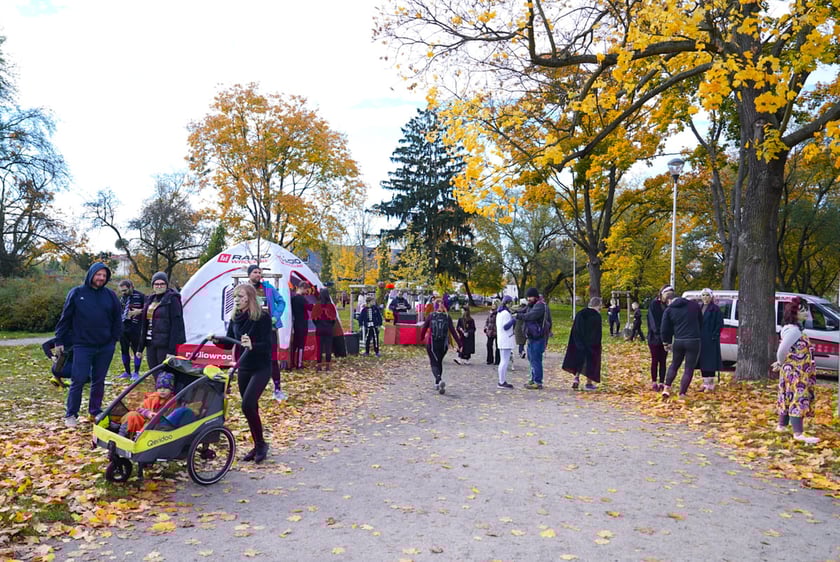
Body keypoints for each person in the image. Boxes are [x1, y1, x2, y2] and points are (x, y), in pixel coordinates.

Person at [54, 262, 122, 428]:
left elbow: (117, 319)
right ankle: (71, 414)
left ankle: (95, 411)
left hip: (105, 346)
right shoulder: (77, 293)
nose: (101, 278)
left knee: (98, 380)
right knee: (78, 379)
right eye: (98, 274)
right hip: (83, 345)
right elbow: (66, 318)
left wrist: (114, 339)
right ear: (91, 274)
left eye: (104, 276)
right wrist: (59, 340)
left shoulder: (110, 295)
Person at [215, 283, 273, 462]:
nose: (237, 300)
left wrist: (252, 345)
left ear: (249, 297)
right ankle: (258, 444)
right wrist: (217, 340)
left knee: (247, 404)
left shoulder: (262, 317)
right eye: (235, 297)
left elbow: (268, 346)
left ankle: (261, 444)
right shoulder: (236, 317)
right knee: (250, 408)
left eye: (240, 297)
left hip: (261, 367)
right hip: (244, 366)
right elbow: (230, 341)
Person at [772, 297, 820, 444]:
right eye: (802, 311)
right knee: (798, 397)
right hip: (796, 371)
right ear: (794, 313)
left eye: (807, 310)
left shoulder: (793, 329)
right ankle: (798, 433)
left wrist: (781, 363)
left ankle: (782, 425)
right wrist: (780, 362)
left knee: (787, 395)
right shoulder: (793, 331)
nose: (806, 313)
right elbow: (782, 350)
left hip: (794, 369)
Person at [247, 265, 287, 399]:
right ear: (249, 275)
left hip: (269, 328)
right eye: (255, 272)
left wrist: (275, 316)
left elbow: (281, 302)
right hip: (251, 329)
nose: (258, 275)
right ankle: (251, 390)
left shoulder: (268, 288)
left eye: (259, 272)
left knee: (273, 359)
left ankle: (277, 389)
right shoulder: (244, 289)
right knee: (251, 358)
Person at [137, 272, 186, 372]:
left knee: (164, 373)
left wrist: (172, 350)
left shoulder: (173, 299)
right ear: (153, 285)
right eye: (156, 284)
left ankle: (166, 388)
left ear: (166, 285)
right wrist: (140, 348)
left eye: (162, 284)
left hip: (165, 344)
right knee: (153, 370)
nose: (159, 286)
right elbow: (145, 324)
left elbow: (177, 326)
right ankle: (158, 388)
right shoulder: (150, 300)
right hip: (150, 342)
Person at [660, 290, 703, 399]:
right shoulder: (694, 306)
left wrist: (666, 342)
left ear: (669, 300)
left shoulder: (669, 310)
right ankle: (682, 393)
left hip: (678, 341)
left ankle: (667, 388)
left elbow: (664, 329)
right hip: (694, 340)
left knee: (674, 365)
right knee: (689, 368)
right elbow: (701, 321)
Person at [420, 298, 462, 394]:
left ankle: (438, 380)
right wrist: (460, 344)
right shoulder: (447, 317)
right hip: (443, 345)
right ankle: (437, 384)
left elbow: (424, 328)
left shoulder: (431, 316)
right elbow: (453, 331)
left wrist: (422, 338)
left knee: (434, 363)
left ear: (434, 307)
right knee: (439, 362)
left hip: (432, 344)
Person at [562, 297, 603, 390]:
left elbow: (576, 328)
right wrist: (596, 344)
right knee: (591, 362)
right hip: (592, 343)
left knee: (579, 360)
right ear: (598, 305)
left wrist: (577, 341)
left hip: (579, 341)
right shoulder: (596, 316)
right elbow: (597, 332)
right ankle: (589, 383)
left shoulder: (580, 313)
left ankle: (576, 378)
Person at [118, 372, 175, 439]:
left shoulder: (173, 401)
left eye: (165, 388)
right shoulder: (152, 398)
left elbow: (170, 417)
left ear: (171, 389)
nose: (162, 390)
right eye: (160, 388)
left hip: (158, 427)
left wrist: (156, 417)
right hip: (145, 420)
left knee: (151, 423)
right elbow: (139, 408)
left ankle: (138, 439)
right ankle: (122, 434)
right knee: (132, 415)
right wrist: (147, 413)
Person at [517, 287, 552, 390]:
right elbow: (523, 310)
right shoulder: (531, 305)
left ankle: (538, 381)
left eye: (530, 297)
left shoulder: (540, 306)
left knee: (536, 359)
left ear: (535, 297)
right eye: (527, 297)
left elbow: (531, 316)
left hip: (539, 337)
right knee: (531, 359)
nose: (528, 299)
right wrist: (509, 310)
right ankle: (532, 379)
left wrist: (518, 316)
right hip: (531, 336)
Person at [117, 280, 145, 380]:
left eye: (125, 290)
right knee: (124, 350)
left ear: (131, 287)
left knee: (136, 350)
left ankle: (136, 372)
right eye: (121, 291)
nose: (123, 292)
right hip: (124, 327)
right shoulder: (122, 298)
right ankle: (127, 372)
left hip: (136, 327)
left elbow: (148, 309)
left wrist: (139, 311)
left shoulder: (141, 296)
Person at [696, 288, 723, 392]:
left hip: (711, 339)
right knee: (702, 361)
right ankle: (705, 383)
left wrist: (714, 336)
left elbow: (719, 324)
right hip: (701, 338)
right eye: (703, 295)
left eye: (707, 295)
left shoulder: (715, 309)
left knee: (710, 361)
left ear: (711, 297)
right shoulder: (700, 307)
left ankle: (710, 384)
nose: (705, 297)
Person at [647, 285, 673, 391]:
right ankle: (654, 382)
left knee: (663, 360)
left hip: (665, 338)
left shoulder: (669, 306)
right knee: (655, 360)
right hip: (655, 338)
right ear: (662, 293)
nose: (669, 297)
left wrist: (668, 338)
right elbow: (653, 322)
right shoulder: (654, 304)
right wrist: (659, 335)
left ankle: (662, 382)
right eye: (667, 294)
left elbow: (671, 322)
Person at [311, 288, 338, 371]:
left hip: (319, 328)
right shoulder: (331, 306)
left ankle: (319, 365)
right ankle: (328, 366)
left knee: (319, 347)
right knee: (328, 347)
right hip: (329, 328)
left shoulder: (317, 305)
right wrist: (330, 325)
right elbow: (334, 319)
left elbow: (313, 318)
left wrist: (318, 325)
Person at [495, 296, 516, 389]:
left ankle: (501, 380)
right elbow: (506, 326)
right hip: (506, 339)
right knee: (504, 361)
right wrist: (514, 320)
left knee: (503, 361)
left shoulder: (499, 313)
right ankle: (501, 381)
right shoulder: (506, 313)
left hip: (502, 339)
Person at [290, 281, 311, 369]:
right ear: (302, 288)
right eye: (306, 290)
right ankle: (299, 364)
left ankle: (291, 362)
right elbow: (310, 308)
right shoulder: (302, 299)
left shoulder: (292, 298)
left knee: (295, 343)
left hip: (295, 322)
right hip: (302, 323)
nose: (307, 292)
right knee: (301, 344)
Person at [484, 299, 501, 365]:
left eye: (494, 304)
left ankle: (498, 360)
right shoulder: (490, 312)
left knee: (497, 346)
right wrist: (485, 327)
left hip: (496, 331)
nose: (493, 305)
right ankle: (489, 359)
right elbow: (487, 321)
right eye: (492, 304)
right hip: (490, 331)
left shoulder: (499, 313)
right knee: (489, 345)